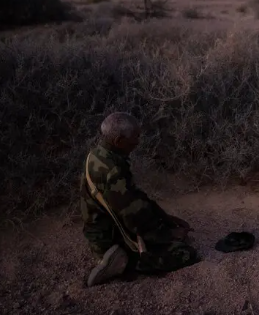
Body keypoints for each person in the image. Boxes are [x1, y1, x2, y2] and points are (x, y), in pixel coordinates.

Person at [80, 112, 199, 287]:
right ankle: (123, 263)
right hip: (110, 239)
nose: (138, 141)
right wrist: (167, 234)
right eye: (135, 137)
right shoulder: (113, 172)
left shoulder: (98, 155)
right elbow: (134, 217)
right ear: (119, 141)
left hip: (103, 230)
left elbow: (133, 198)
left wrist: (164, 217)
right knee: (186, 253)